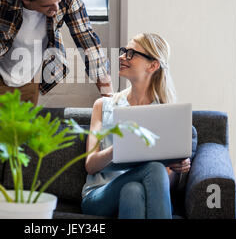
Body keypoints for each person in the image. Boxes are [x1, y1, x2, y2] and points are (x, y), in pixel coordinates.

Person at [81, 33, 191, 219]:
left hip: (139, 192)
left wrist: (175, 168)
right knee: (154, 168)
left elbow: (163, 184)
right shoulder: (103, 105)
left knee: (132, 191)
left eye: (131, 53)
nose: (122, 57)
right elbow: (90, 166)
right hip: (99, 195)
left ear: (153, 65)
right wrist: (121, 148)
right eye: (124, 51)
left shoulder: (165, 113)